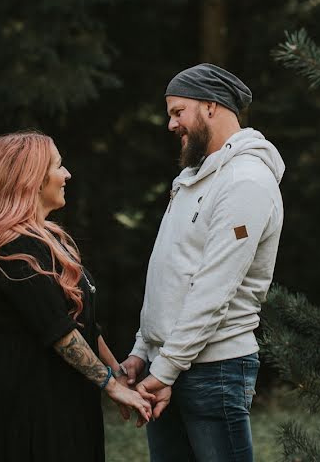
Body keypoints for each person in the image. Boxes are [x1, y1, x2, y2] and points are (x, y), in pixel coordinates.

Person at [118, 64, 286, 461]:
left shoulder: (245, 180)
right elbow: (171, 273)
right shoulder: (194, 179)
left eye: (178, 112)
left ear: (211, 106)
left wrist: (166, 369)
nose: (171, 124)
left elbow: (214, 288)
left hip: (215, 369)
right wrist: (144, 351)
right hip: (167, 365)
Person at [0, 131, 153, 462]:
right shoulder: (14, 248)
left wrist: (118, 374)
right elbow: (59, 331)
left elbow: (84, 326)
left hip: (68, 392)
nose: (67, 175)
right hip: (31, 400)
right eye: (58, 166)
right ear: (32, 180)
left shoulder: (52, 241)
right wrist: (111, 387)